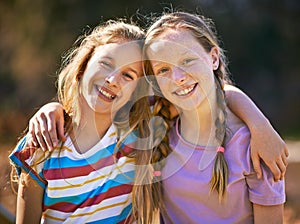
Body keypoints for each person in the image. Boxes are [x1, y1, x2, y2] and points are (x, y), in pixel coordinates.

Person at [140, 11, 285, 223]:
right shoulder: (160, 136)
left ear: (214, 58)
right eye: (163, 69)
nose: (178, 78)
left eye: (187, 60)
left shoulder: (253, 146)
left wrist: (260, 124)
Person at [9, 20, 152, 224]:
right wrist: (52, 107)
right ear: (84, 65)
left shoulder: (140, 142)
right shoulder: (41, 144)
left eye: (128, 75)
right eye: (106, 63)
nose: (112, 80)